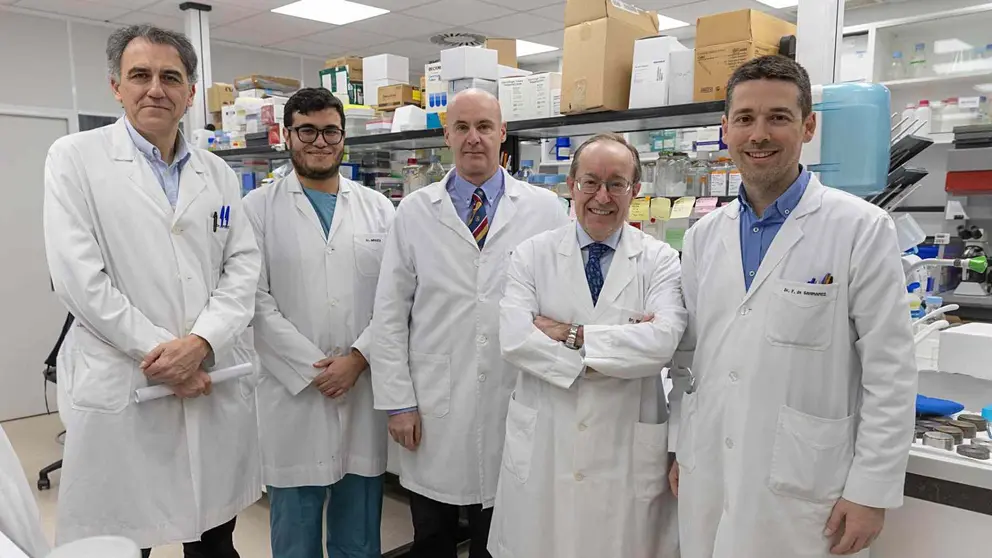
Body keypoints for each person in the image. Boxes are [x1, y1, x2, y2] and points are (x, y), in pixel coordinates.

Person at [669, 55, 917, 558]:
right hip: (708, 465)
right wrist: (680, 443)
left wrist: (871, 489)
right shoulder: (702, 236)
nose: (759, 134)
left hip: (807, 488)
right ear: (726, 130)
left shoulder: (860, 229)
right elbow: (688, 357)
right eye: (745, 119)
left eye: (778, 117)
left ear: (808, 127)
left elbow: (889, 372)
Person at [43, 24, 262, 556]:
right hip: (127, 381)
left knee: (213, 539)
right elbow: (79, 278)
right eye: (140, 75)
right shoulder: (74, 158)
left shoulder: (218, 173)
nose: (155, 89)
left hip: (208, 373)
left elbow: (243, 265)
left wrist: (202, 344)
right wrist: (164, 355)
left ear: (190, 92)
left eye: (171, 77)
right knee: (122, 538)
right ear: (116, 86)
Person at [371, 88, 569, 558]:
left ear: (502, 134)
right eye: (462, 127)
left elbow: (565, 300)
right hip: (436, 401)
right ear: (447, 137)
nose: (473, 138)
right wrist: (398, 403)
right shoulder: (415, 211)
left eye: (484, 127)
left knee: (504, 539)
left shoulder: (545, 208)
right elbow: (389, 312)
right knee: (433, 538)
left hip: (516, 395)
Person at [487, 133, 685, 558]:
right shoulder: (530, 256)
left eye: (617, 183)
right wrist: (615, 354)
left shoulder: (660, 260)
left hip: (625, 445)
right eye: (590, 181)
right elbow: (515, 340)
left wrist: (570, 335)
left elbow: (662, 343)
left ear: (635, 190)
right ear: (571, 186)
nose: (602, 195)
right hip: (547, 441)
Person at [243, 88, 393, 558]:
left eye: (330, 131)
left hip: (362, 385)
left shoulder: (380, 209)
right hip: (294, 394)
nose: (319, 141)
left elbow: (395, 298)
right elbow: (253, 301)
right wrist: (317, 368)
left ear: (344, 137)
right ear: (287, 136)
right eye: (306, 130)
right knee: (295, 534)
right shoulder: (256, 210)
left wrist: (358, 359)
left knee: (359, 533)